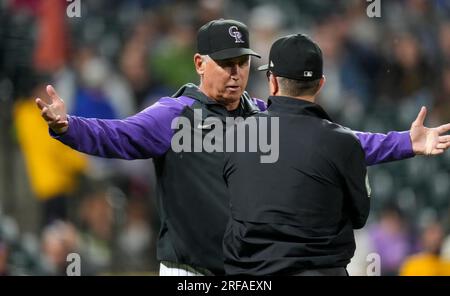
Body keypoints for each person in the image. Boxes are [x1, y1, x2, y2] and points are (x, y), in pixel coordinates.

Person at [36, 19, 450, 275]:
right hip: (190, 273)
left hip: (248, 271)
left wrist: (405, 142)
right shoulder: (174, 116)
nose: (236, 73)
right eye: (225, 63)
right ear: (200, 64)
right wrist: (68, 127)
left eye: (243, 62)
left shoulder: (261, 117)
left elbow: (336, 143)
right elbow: (117, 136)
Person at [222, 33, 450, 276]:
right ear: (321, 83)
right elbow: (359, 216)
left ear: (273, 81)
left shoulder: (237, 134)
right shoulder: (341, 142)